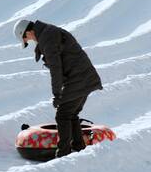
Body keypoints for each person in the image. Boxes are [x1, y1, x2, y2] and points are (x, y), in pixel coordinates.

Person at [13, 20, 103, 158]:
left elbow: (56, 69)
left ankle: (63, 154)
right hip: (84, 77)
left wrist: (57, 94)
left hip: (79, 78)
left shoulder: (48, 38)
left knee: (62, 115)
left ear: (29, 32)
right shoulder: (49, 33)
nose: (29, 40)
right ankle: (79, 148)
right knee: (70, 114)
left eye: (26, 38)